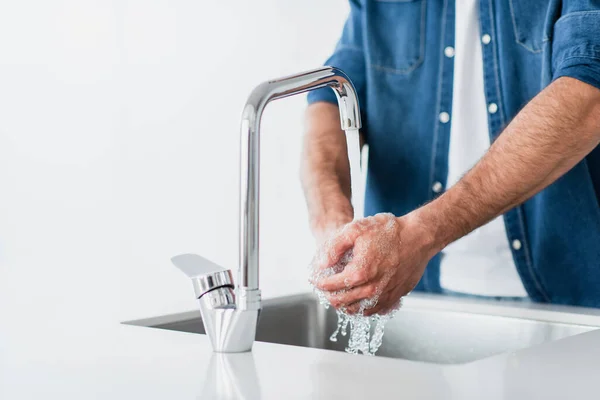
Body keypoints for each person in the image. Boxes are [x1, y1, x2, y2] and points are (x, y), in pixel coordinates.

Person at [302, 0, 600, 314]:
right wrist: (332, 226)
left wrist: (421, 234)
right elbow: (334, 96)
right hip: (421, 301)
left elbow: (588, 92)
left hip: (576, 297)